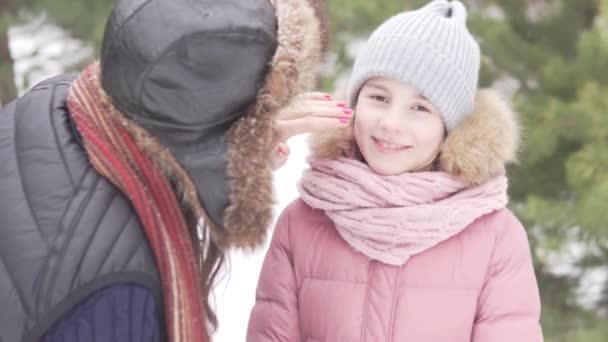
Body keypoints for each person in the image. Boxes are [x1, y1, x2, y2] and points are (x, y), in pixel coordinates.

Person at [0, 0, 330, 341]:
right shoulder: (122, 291)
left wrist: (231, 154)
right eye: (261, 116)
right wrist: (233, 153)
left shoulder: (62, 99)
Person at [247, 1, 544, 341]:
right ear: (355, 103)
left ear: (451, 128)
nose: (391, 123)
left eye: (420, 107)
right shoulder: (301, 223)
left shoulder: (496, 237)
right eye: (379, 98)